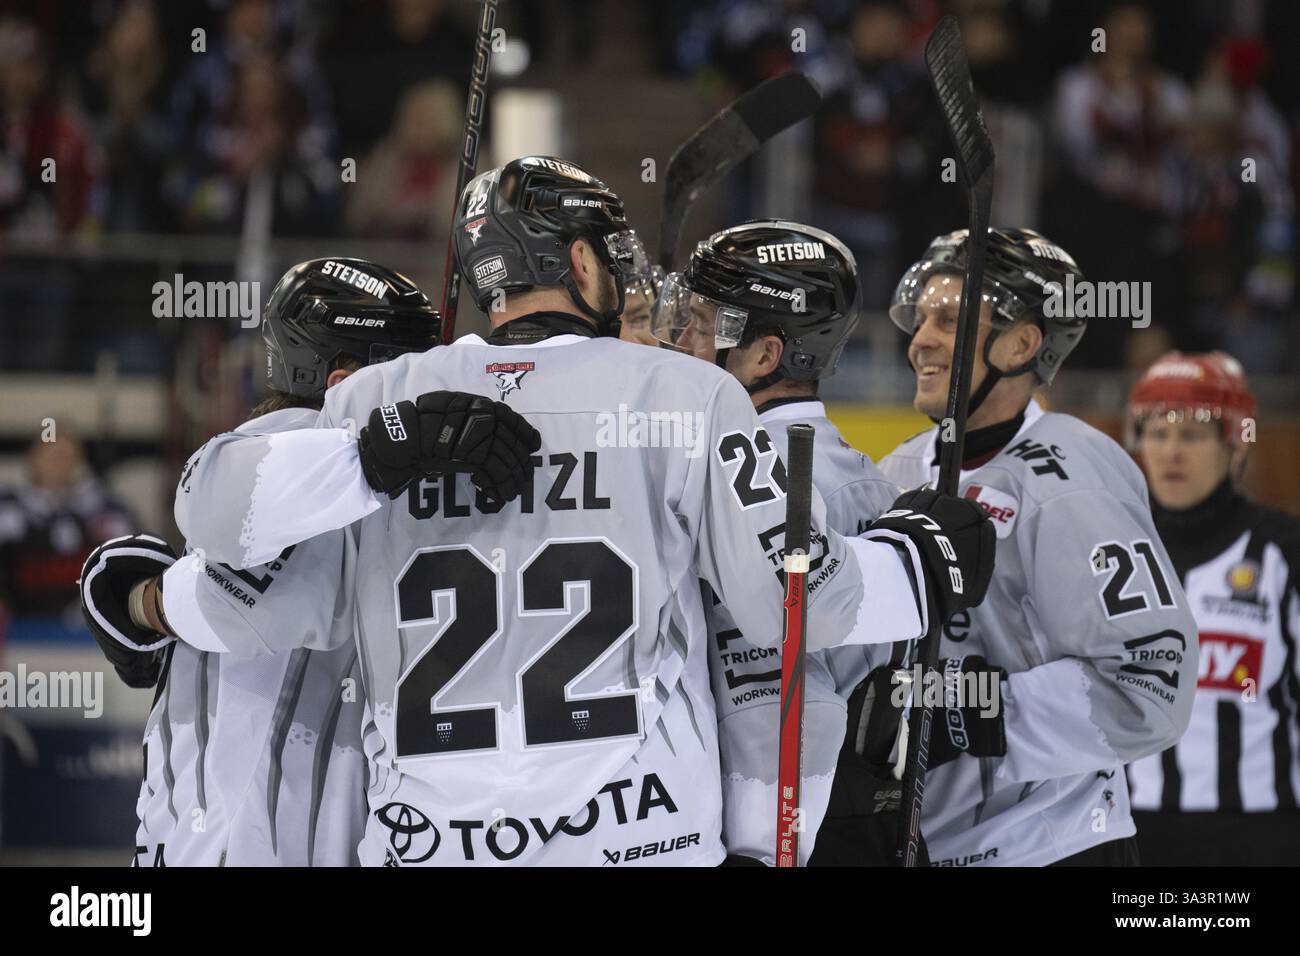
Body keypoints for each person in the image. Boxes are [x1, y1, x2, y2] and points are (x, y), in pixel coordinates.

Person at [97, 155, 994, 866]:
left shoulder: (385, 398)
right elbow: (795, 600)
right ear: (578, 262)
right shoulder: (682, 394)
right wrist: (916, 566)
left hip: (431, 849)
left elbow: (231, 548)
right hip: (638, 841)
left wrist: (160, 599)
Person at [78, 257, 452, 865]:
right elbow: (233, 603)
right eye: (406, 367)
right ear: (341, 382)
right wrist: (151, 601)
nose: (425, 388)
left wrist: (142, 602)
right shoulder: (289, 453)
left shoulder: (365, 481)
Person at [866, 227, 1198, 866]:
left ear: (1021, 344)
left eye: (950, 319)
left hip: (1051, 845)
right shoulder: (896, 472)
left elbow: (1151, 681)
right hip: (933, 844)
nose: (921, 340)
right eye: (922, 316)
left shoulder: (1072, 476)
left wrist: (966, 709)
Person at [651, 218, 902, 864]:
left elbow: (785, 696)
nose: (681, 342)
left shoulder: (779, 486)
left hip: (802, 828)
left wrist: (759, 847)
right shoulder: (848, 478)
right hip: (829, 812)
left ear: (763, 356)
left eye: (702, 327)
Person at [1126, 350, 1300, 865]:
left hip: (1259, 836)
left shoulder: (1284, 551)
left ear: (1234, 446)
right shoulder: (1111, 549)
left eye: (1194, 436)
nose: (1172, 452)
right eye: (1158, 434)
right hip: (1127, 832)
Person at [0, 432, 134, 623]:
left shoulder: (106, 510)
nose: (59, 464)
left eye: (66, 456)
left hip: (86, 634)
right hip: (17, 630)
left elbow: (131, 562)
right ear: (32, 459)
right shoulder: (7, 509)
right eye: (52, 456)